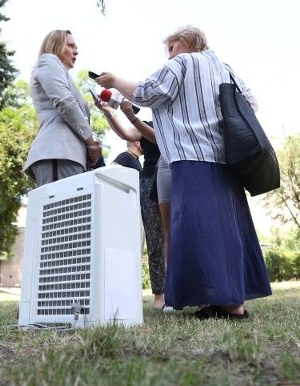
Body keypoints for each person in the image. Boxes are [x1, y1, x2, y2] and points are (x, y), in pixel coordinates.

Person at [96, 26, 272, 319]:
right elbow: (251, 103)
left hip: (192, 154)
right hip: (226, 158)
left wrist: (114, 80)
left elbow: (148, 92)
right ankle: (231, 300)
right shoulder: (225, 68)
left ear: (187, 42)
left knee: (200, 229)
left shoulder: (184, 62)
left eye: (171, 48)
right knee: (227, 229)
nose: (169, 55)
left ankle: (226, 304)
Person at [96, 99, 172, 311]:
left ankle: (183, 291)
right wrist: (109, 113)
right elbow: (126, 134)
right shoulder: (146, 124)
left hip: (177, 178)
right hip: (151, 183)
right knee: (156, 239)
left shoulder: (179, 122)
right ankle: (160, 297)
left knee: (178, 237)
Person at [24, 30, 102, 187]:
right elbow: (66, 103)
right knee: (62, 209)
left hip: (68, 156)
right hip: (59, 152)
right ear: (56, 46)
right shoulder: (48, 61)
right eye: (71, 45)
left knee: (72, 210)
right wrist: (91, 143)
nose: (76, 51)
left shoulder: (60, 72)